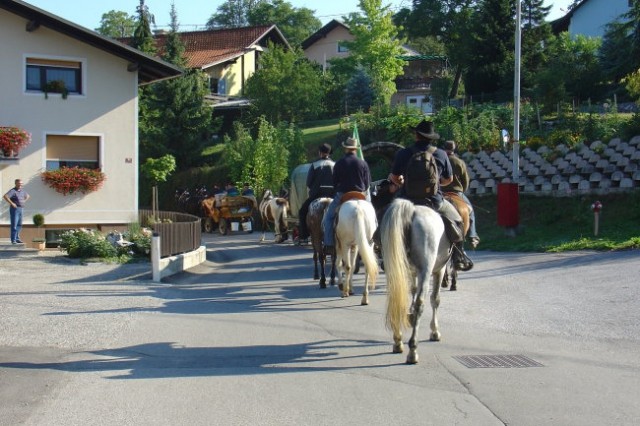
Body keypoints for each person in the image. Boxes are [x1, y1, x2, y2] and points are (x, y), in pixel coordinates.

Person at [388, 120, 473, 271]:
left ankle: (384, 252)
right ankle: (458, 256)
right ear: (432, 137)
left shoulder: (404, 153)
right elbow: (449, 179)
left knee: (386, 219)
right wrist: (436, 184)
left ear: (416, 135)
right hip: (434, 201)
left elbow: (394, 177)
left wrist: (402, 182)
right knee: (458, 221)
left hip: (408, 200)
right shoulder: (440, 153)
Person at [322, 137, 371, 253]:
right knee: (374, 218)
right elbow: (367, 183)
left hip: (343, 195)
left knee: (328, 218)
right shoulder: (363, 163)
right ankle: (374, 241)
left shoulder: (339, 163)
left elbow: (335, 182)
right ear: (355, 149)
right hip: (360, 195)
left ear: (345, 149)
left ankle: (329, 244)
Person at [441, 140, 480, 248]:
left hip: (441, 192)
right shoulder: (459, 162)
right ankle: (473, 235)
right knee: (470, 210)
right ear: (454, 149)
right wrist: (462, 191)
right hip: (456, 192)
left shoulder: (439, 160)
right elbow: (465, 180)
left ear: (444, 148)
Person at [298, 143, 335, 243]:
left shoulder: (315, 165)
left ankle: (304, 235)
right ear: (329, 154)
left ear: (320, 153)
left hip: (317, 195)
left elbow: (309, 182)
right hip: (332, 195)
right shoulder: (335, 165)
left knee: (302, 212)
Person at [3, 178, 30, 244]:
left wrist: (24, 201)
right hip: (15, 209)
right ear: (16, 184)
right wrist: (12, 203)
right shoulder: (13, 191)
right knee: (14, 224)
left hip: (21, 209)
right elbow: (5, 196)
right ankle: (13, 240)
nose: (20, 185)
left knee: (19, 224)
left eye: (21, 184)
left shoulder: (22, 191)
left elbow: (28, 196)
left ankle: (17, 238)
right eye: (19, 183)